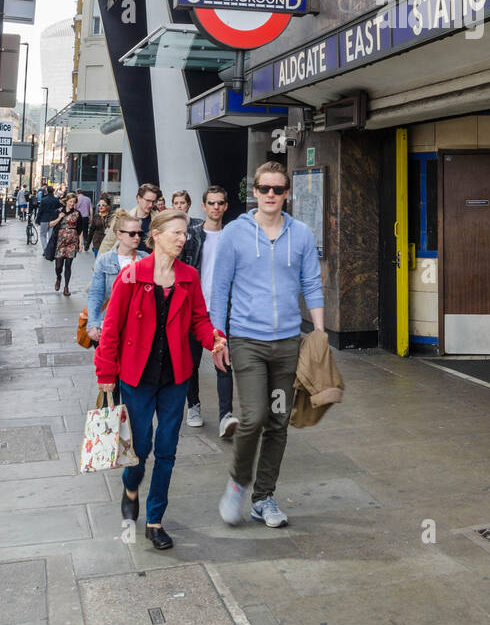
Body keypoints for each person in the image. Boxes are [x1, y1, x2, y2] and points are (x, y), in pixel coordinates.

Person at [94, 209, 228, 550]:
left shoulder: (188, 276)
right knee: (140, 448)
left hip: (175, 376)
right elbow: (110, 330)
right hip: (136, 376)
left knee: (167, 448)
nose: (183, 239)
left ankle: (155, 520)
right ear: (156, 235)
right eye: (176, 233)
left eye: (185, 233)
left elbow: (199, 320)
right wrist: (106, 374)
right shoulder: (131, 277)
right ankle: (130, 487)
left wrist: (213, 338)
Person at [211, 162, 324, 529]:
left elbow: (312, 285)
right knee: (254, 415)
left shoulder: (301, 234)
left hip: (288, 344)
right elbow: (220, 288)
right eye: (264, 189)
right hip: (247, 341)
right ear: (254, 192)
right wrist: (218, 335)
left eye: (278, 189)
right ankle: (237, 483)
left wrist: (319, 333)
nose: (271, 195)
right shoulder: (234, 234)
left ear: (287, 193)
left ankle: (264, 497)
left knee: (278, 421)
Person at [182, 185, 238, 438]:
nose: (216, 207)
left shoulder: (232, 237)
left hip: (222, 311)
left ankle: (226, 415)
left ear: (226, 206)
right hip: (194, 311)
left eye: (220, 203)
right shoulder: (191, 236)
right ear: (203, 207)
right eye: (211, 203)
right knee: (190, 364)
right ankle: (193, 406)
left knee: (224, 362)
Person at [86, 212, 143, 344]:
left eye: (139, 233)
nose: (137, 237)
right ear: (119, 234)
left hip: (136, 326)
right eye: (132, 233)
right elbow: (96, 294)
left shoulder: (145, 259)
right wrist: (93, 324)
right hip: (109, 322)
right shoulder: (105, 260)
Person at [100, 183, 158, 255]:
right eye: (148, 200)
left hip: (149, 263)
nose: (151, 205)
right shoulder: (123, 217)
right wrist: (98, 264)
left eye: (153, 202)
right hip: (125, 263)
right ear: (138, 198)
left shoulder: (158, 220)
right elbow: (108, 242)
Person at [50, 193, 83, 295]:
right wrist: (59, 218)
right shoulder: (58, 211)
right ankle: (58, 278)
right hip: (60, 241)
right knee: (58, 266)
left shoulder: (77, 213)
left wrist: (80, 243)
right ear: (66, 201)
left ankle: (66, 287)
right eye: (70, 201)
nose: (72, 204)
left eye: (74, 202)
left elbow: (80, 230)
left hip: (72, 242)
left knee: (68, 265)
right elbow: (50, 225)